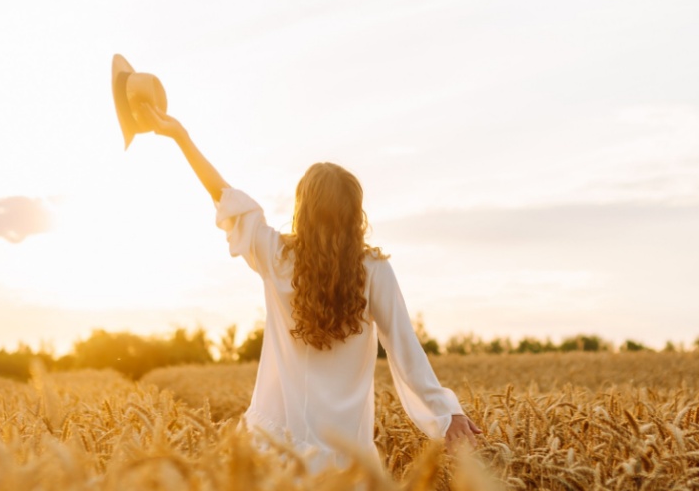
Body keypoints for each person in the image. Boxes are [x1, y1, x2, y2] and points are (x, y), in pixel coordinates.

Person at [139, 103, 482, 470]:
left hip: (275, 450)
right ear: (355, 214)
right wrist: (447, 413)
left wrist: (180, 136)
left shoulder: (276, 257)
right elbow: (405, 349)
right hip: (345, 459)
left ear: (302, 208)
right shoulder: (374, 270)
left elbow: (223, 195)